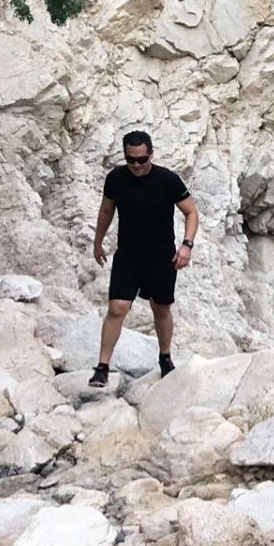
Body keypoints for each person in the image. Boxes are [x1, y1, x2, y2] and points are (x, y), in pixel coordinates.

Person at [90, 131, 199, 388]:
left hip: (161, 255)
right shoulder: (115, 178)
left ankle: (165, 359)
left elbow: (191, 212)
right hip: (128, 254)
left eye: (142, 159)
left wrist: (187, 245)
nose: (137, 165)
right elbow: (107, 209)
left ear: (151, 153)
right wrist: (97, 241)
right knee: (117, 308)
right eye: (131, 160)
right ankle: (102, 367)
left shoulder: (168, 180)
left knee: (161, 308)